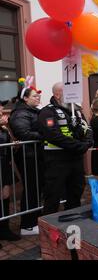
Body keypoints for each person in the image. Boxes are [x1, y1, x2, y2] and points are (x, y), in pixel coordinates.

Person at [37, 83, 93, 215]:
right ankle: (49, 227)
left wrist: (88, 142)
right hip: (57, 161)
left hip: (76, 159)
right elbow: (53, 135)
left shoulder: (77, 111)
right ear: (57, 94)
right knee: (53, 194)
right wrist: (79, 146)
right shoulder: (47, 112)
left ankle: (72, 219)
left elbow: (87, 128)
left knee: (76, 190)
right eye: (68, 91)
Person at [9, 80, 44, 236]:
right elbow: (23, 133)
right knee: (31, 188)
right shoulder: (20, 113)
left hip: (35, 155)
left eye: (38, 96)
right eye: (35, 96)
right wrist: (45, 135)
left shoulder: (33, 111)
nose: (38, 98)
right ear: (25, 98)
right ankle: (27, 225)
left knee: (37, 188)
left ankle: (35, 218)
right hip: (27, 156)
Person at [0, 100, 21, 244]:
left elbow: (10, 145)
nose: (2, 114)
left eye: (2, 111)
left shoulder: (3, 128)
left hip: (4, 166)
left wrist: (14, 144)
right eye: (0, 111)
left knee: (5, 196)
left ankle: (4, 229)